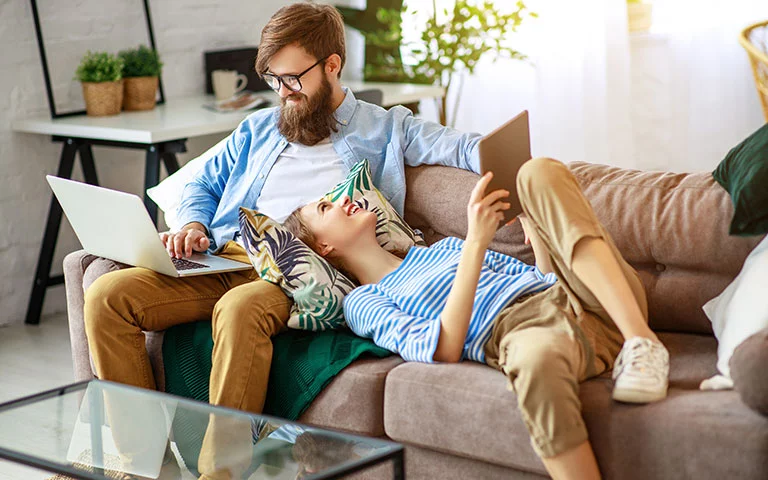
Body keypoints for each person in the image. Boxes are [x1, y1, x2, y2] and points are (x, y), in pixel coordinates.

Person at [83, 2, 482, 416]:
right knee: (106, 296)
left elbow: (464, 147)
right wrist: (193, 223)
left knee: (239, 310)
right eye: (274, 79)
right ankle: (131, 466)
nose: (283, 92)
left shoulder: (385, 128)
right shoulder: (258, 128)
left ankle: (220, 472)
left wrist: (530, 178)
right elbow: (200, 181)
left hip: (301, 271)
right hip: (229, 258)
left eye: (292, 78)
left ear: (332, 65)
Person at [283, 157, 670, 480]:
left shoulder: (443, 249)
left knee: (535, 172)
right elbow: (445, 347)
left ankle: (643, 342)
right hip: (525, 333)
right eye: (325, 207)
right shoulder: (365, 301)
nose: (342, 201)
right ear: (323, 246)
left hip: (594, 299)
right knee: (534, 365)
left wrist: (538, 236)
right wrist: (475, 243)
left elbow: (543, 280)